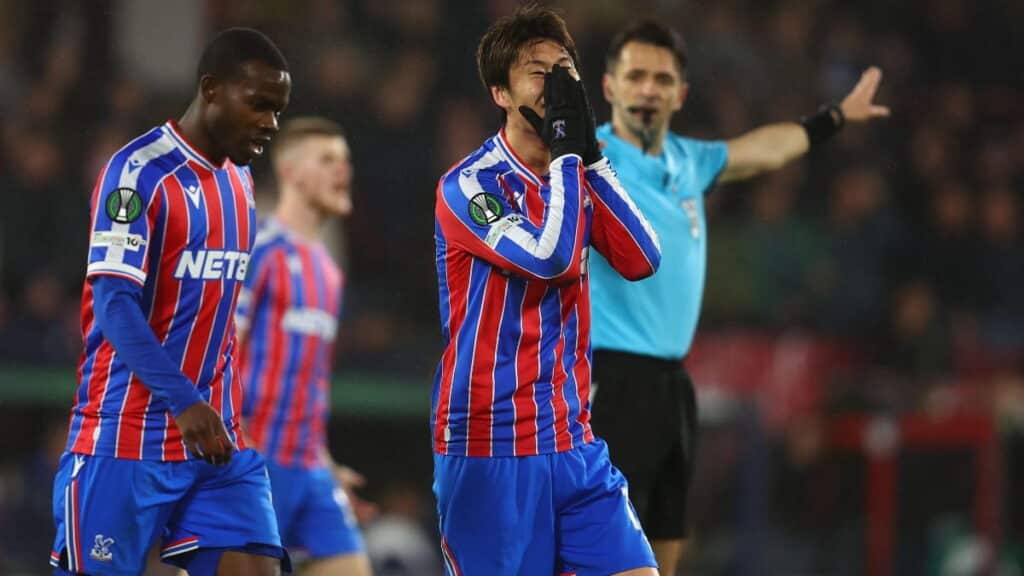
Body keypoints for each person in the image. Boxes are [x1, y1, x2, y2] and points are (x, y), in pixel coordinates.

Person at [587, 20, 890, 575]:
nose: (647, 88)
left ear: (680, 93)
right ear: (609, 87)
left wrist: (835, 118)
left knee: (663, 552)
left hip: (673, 382)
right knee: (600, 556)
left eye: (661, 78)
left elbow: (762, 150)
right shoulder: (587, 164)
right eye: (634, 76)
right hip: (607, 379)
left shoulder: (689, 161)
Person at [50, 28, 292, 576]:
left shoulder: (242, 183)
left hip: (215, 444)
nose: (270, 124)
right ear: (211, 89)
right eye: (259, 105)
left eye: (278, 111)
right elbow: (113, 304)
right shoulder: (137, 175)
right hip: (127, 437)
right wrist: (184, 401)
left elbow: (217, 314)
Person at [431, 6, 663, 575]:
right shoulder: (470, 185)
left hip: (572, 437)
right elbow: (551, 258)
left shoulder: (576, 172)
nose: (559, 84)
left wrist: (593, 157)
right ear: (501, 94)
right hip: (491, 442)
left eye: (567, 69)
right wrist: (567, 154)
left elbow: (643, 258)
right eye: (539, 72)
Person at [234, 117, 373, 576]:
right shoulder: (258, 250)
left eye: (347, 160)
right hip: (252, 463)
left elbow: (310, 382)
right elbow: (219, 353)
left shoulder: (328, 271)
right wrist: (232, 448)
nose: (344, 171)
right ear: (290, 171)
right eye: (328, 159)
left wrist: (328, 463)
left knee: (351, 568)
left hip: (309, 468)